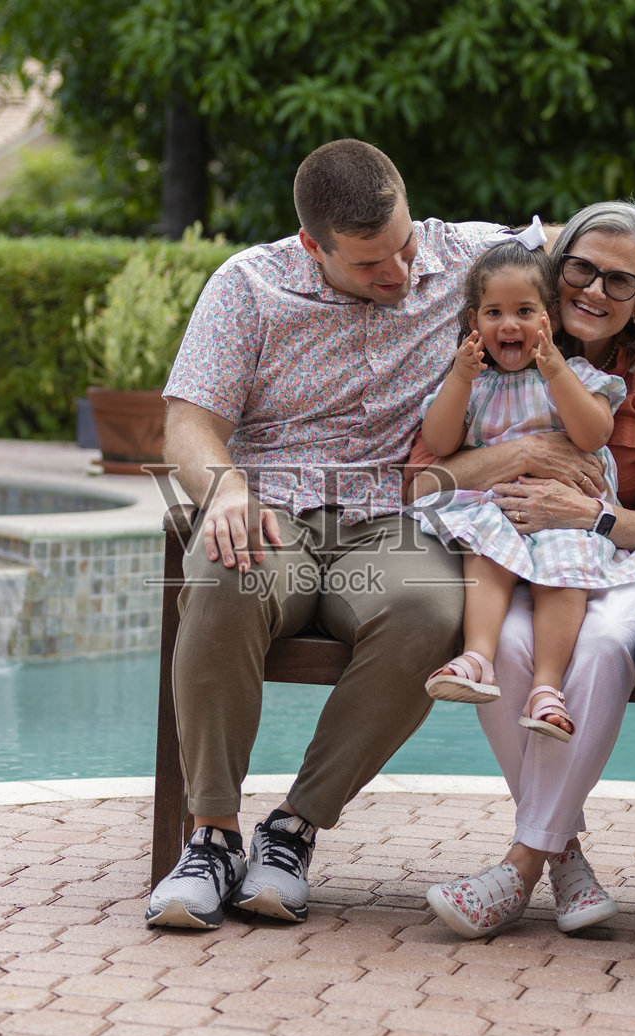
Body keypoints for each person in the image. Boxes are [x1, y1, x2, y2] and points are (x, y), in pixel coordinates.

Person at [146, 139, 507, 930]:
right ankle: (211, 837)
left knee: (427, 609)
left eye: (404, 246)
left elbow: (601, 251)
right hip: (273, 509)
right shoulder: (248, 285)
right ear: (314, 246)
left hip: (391, 518)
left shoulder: (465, 257)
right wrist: (224, 486)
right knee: (223, 574)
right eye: (371, 263)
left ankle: (293, 829)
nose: (401, 273)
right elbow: (187, 425)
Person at [410, 201, 635, 938]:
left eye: (620, 280)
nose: (595, 290)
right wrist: (518, 455)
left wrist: (591, 516)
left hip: (611, 552)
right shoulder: (493, 354)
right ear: (556, 270)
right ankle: (565, 856)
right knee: (506, 648)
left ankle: (521, 867)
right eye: (581, 268)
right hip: (516, 547)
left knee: (603, 647)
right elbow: (422, 480)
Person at [415, 225, 635, 747]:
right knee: (484, 546)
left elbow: (593, 433)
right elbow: (439, 440)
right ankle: (478, 656)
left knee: (565, 570)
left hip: (566, 515)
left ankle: (547, 688)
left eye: (525, 311)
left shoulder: (576, 373)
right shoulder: (475, 383)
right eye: (494, 313)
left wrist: (556, 371)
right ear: (474, 322)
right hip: (498, 506)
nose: (509, 324)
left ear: (549, 318)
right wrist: (459, 380)